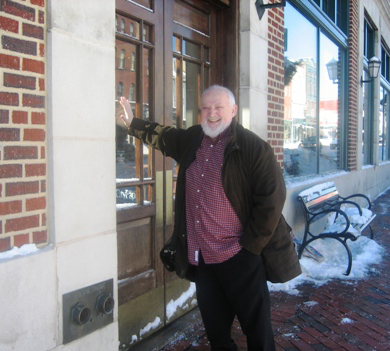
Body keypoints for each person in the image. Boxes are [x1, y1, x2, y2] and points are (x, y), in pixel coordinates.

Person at [119, 85, 301, 351]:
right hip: (203, 259)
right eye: (206, 108)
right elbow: (163, 137)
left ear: (234, 111)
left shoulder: (253, 148)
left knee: (257, 332)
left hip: (240, 257)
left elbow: (272, 200)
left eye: (219, 107)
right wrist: (132, 122)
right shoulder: (193, 139)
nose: (212, 113)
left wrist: (249, 248)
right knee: (216, 333)